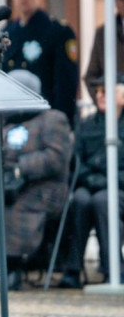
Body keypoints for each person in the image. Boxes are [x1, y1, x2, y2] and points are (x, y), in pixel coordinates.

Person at [0, 70, 71, 291]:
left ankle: (13, 269)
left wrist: (21, 167)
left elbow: (56, 158)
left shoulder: (53, 119)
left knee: (18, 209)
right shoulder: (5, 122)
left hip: (45, 188)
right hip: (11, 186)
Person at [60, 76, 124, 288]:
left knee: (103, 201)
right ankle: (73, 268)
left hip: (119, 188)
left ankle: (113, 268)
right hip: (92, 184)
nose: (99, 96)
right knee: (80, 199)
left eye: (105, 91)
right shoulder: (86, 125)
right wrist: (98, 175)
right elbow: (77, 163)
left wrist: (102, 172)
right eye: (97, 92)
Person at [1, 0, 80, 126]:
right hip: (13, 116)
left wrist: (62, 120)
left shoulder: (57, 31)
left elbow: (66, 83)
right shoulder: (8, 32)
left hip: (45, 117)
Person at [83, 0, 124, 100]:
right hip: (114, 111)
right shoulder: (104, 34)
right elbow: (91, 76)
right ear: (116, 1)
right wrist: (103, 101)